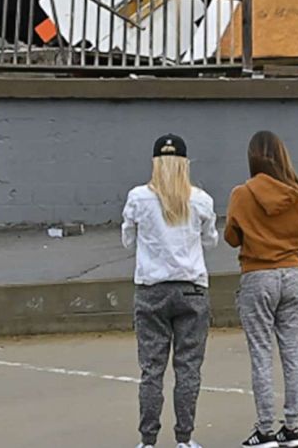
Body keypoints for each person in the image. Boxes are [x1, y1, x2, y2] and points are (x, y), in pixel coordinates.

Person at [122, 133, 218, 448]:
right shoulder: (201, 200)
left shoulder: (137, 197)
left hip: (151, 289)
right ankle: (184, 439)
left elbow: (128, 241)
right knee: (188, 368)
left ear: (155, 163)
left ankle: (147, 440)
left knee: (151, 369)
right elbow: (209, 242)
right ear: (184, 164)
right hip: (191, 288)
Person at [224, 131, 298, 448]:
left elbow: (232, 238)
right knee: (293, 353)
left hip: (258, 275)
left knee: (261, 354)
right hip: (292, 274)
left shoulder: (241, 194)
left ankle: (264, 430)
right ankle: (291, 428)